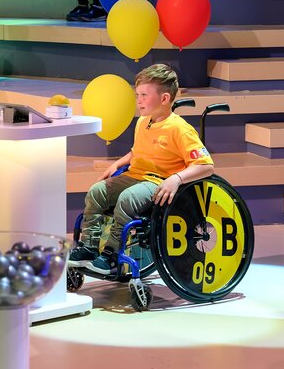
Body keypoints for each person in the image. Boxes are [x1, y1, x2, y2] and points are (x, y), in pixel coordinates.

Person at [68, 64, 214, 275]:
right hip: (135, 175)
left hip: (158, 182)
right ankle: (89, 247)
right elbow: (137, 152)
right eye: (138, 95)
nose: (138, 100)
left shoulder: (180, 129)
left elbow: (206, 165)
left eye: (144, 95)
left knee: (127, 199)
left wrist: (176, 179)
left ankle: (111, 255)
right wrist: (117, 164)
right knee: (96, 192)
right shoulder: (143, 122)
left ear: (164, 99)